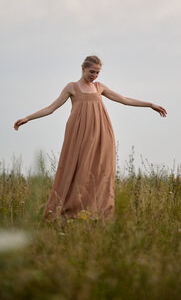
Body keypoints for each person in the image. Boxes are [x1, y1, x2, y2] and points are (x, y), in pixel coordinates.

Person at [14, 55, 167, 223]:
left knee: (101, 171)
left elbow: (124, 100)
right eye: (92, 71)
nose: (94, 75)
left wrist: (149, 104)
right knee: (77, 168)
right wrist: (28, 118)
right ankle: (69, 211)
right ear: (83, 68)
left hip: (101, 133)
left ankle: (97, 213)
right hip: (78, 134)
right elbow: (51, 108)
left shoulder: (99, 87)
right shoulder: (71, 87)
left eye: (97, 72)